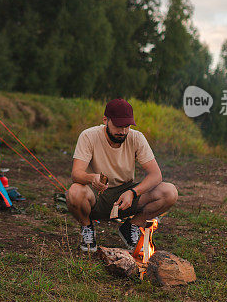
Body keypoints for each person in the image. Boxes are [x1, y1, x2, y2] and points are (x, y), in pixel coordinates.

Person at [65, 98, 178, 252]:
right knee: (75, 192)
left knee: (169, 192)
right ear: (106, 120)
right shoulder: (88, 136)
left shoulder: (136, 137)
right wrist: (92, 178)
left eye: (127, 126)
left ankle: (132, 226)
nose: (123, 131)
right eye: (118, 126)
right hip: (97, 196)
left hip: (125, 196)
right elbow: (76, 174)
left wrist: (133, 192)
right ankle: (87, 227)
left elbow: (156, 175)